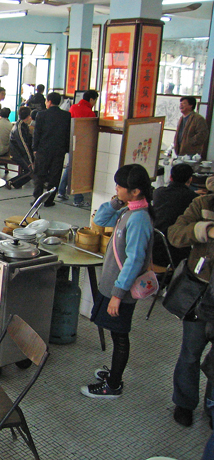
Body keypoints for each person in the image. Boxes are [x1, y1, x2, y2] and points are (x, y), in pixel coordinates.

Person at [81, 164, 154, 399]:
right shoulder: (128, 210)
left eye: (120, 186)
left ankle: (113, 385)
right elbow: (101, 219)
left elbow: (135, 261)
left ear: (135, 191)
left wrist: (117, 294)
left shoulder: (140, 219)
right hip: (113, 284)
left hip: (121, 290)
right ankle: (113, 373)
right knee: (114, 333)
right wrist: (116, 202)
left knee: (120, 336)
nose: (116, 189)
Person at [167, 176, 214, 427]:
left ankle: (211, 406)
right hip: (199, 292)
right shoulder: (203, 203)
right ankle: (184, 403)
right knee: (190, 353)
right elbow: (175, 234)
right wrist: (205, 230)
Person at [152, 163, 199, 268]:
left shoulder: (158, 193)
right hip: (176, 253)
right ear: (190, 179)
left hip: (153, 248)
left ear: (170, 177)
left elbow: (175, 198)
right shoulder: (194, 199)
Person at [58, 90, 99, 206]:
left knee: (70, 166)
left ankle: (61, 191)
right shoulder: (90, 113)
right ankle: (78, 199)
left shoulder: (73, 108)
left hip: (72, 142)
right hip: (84, 145)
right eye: (95, 100)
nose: (94, 103)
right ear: (91, 99)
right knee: (80, 170)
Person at [32, 92, 71, 207]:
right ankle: (49, 200)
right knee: (55, 176)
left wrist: (35, 148)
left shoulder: (41, 115)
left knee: (40, 175)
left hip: (43, 150)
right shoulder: (66, 116)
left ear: (49, 101)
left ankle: (37, 199)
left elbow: (37, 133)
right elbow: (68, 134)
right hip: (59, 150)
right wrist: (66, 149)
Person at [6, 106, 35, 189]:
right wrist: (30, 161)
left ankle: (16, 183)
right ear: (29, 117)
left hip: (20, 153)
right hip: (17, 154)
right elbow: (24, 146)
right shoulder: (19, 128)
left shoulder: (22, 125)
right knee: (31, 170)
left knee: (32, 169)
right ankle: (12, 182)